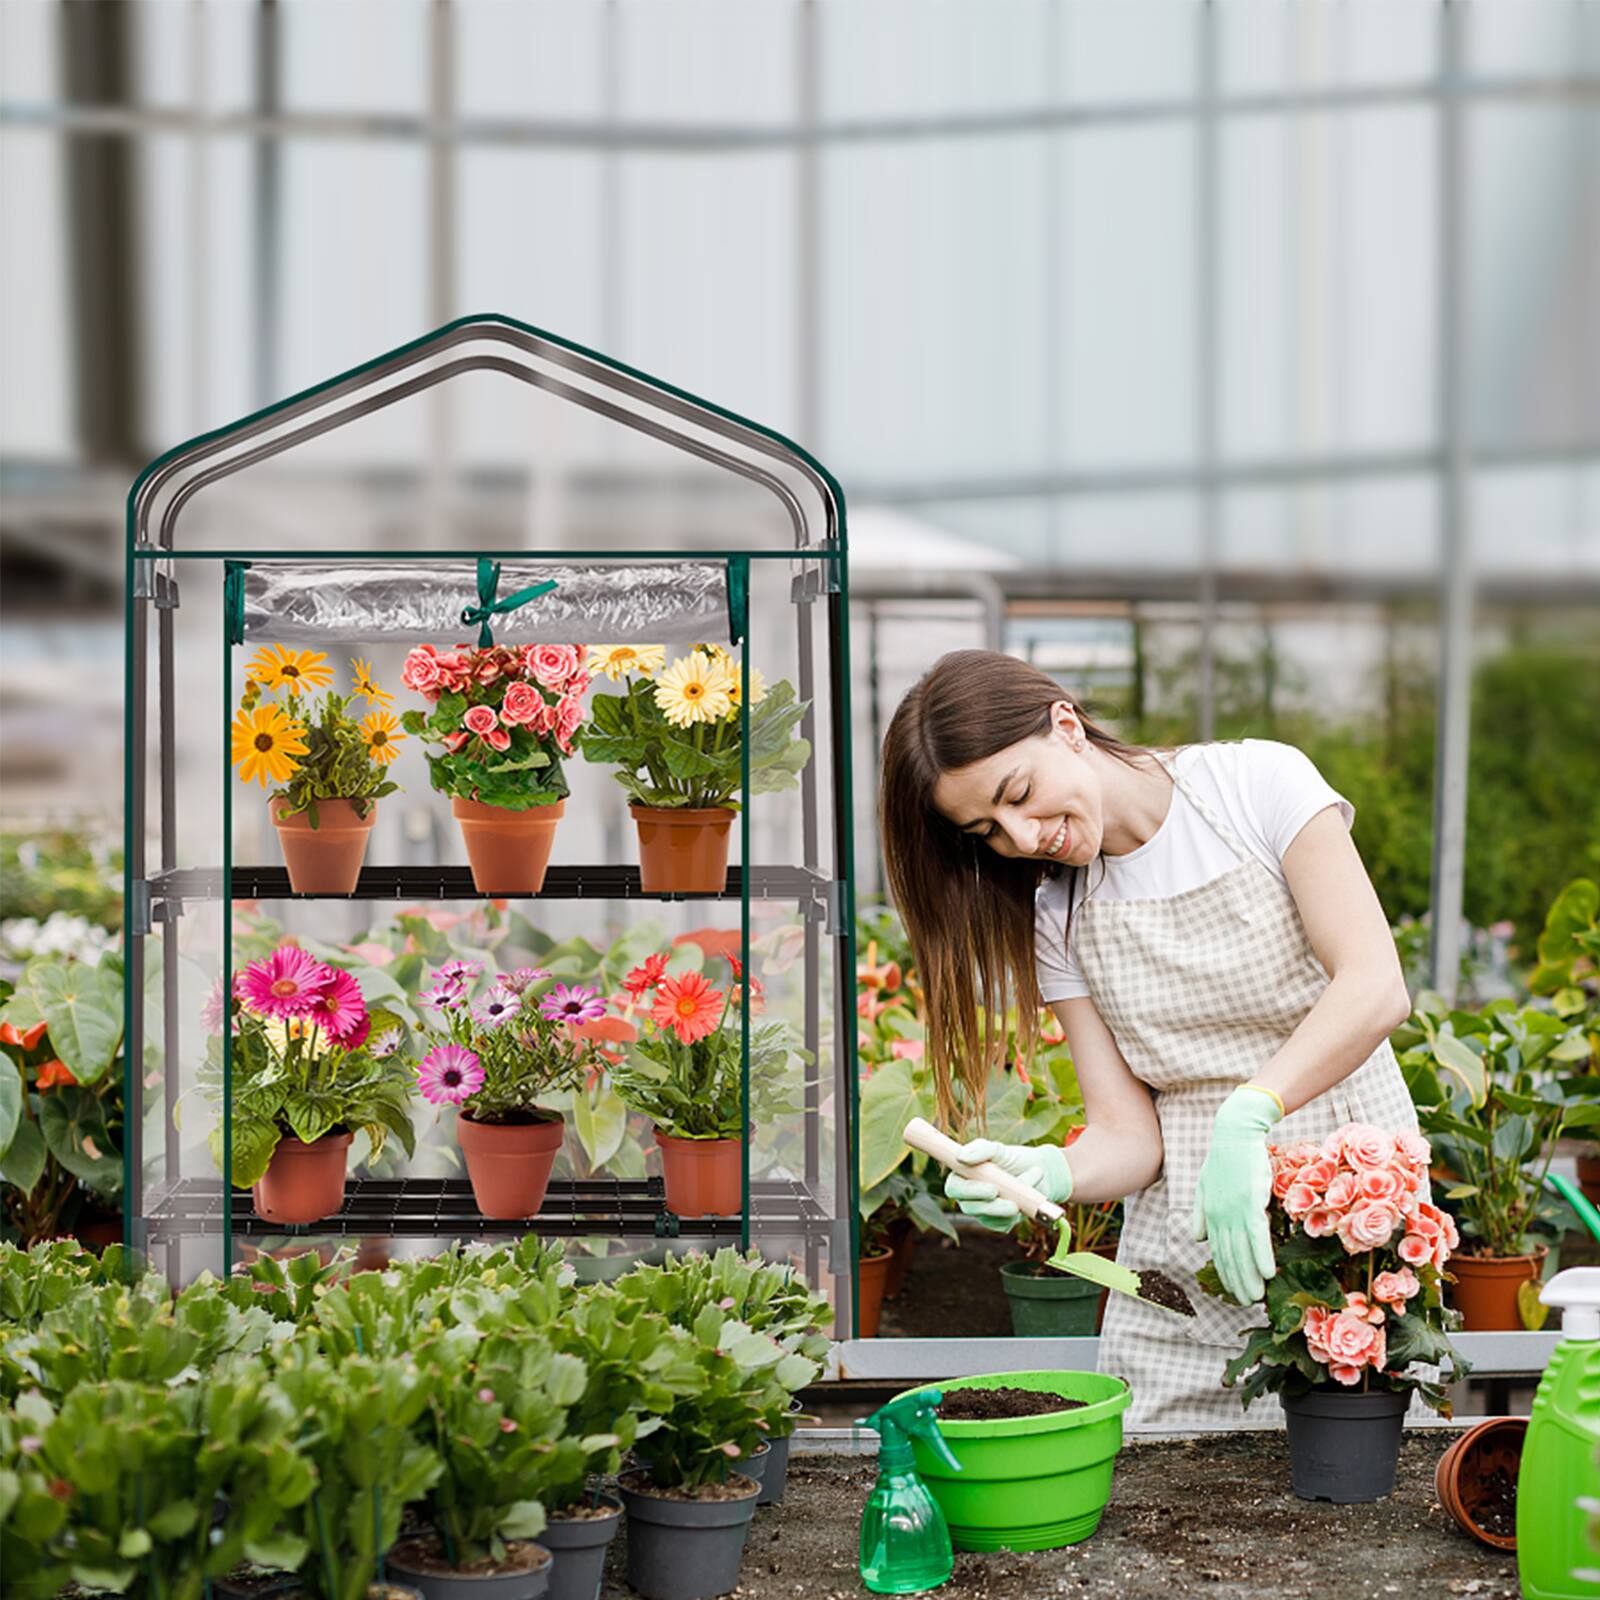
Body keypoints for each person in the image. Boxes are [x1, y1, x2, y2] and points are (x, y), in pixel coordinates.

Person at [878, 650, 1420, 1429]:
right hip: (1188, 1253)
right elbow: (1130, 1137)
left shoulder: (1256, 787)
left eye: (1018, 794)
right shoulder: (1057, 915)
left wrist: (1251, 1113)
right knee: (1162, 1474)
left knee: (1355, 1466)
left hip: (1348, 1213)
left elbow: (1373, 984)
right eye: (987, 830)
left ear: (1066, 726)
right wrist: (1051, 1171)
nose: (1022, 836)